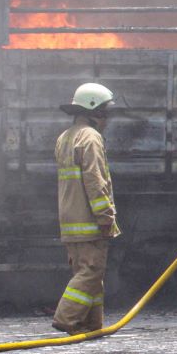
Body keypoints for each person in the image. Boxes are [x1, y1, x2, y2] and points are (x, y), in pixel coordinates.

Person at [53, 82, 120, 335]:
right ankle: (67, 318)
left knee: (90, 273)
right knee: (90, 272)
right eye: (106, 112)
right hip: (89, 220)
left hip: (70, 220)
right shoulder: (91, 137)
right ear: (96, 111)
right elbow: (95, 180)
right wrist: (105, 216)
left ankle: (90, 324)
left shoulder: (66, 137)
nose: (107, 118)